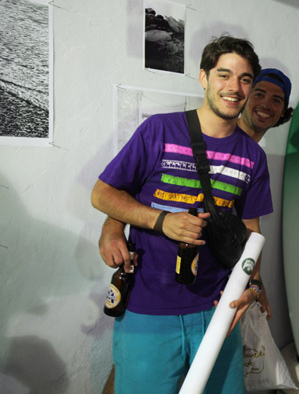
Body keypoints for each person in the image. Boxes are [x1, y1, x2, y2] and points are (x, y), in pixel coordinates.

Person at [91, 34, 273, 394]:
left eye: (244, 79)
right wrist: (160, 221)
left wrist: (252, 286)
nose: (234, 87)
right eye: (224, 75)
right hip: (149, 309)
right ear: (204, 77)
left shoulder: (253, 156)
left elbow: (251, 234)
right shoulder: (160, 129)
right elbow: (104, 193)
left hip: (217, 309)